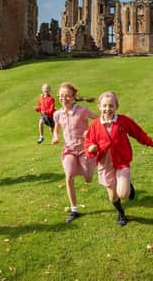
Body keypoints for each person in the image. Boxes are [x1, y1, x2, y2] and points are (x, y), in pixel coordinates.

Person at [85, 91, 153, 226]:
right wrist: (91, 148)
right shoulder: (95, 125)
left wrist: (151, 143)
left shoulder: (123, 121)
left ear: (116, 107)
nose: (107, 109)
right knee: (113, 196)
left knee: (123, 194)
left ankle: (128, 186)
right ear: (99, 106)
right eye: (104, 106)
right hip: (105, 164)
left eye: (111, 106)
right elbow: (89, 141)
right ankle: (121, 213)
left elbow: (138, 133)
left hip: (121, 162)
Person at [52, 82, 97, 223]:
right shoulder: (57, 114)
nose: (64, 98)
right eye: (61, 96)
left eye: (67, 96)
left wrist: (89, 132)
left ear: (73, 96)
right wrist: (55, 136)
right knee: (69, 176)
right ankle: (74, 209)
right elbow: (56, 128)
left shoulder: (82, 110)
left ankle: (90, 169)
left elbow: (98, 120)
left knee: (88, 178)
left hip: (85, 149)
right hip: (69, 150)